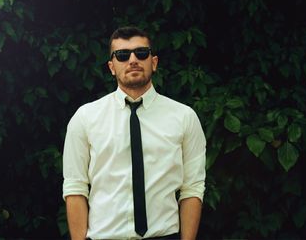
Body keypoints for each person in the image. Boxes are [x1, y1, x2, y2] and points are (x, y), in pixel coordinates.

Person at [62, 26, 206, 240]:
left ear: (153, 62)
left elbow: (192, 188)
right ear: (111, 67)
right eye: (122, 55)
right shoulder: (85, 118)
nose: (132, 60)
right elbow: (75, 186)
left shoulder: (184, 117)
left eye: (141, 53)